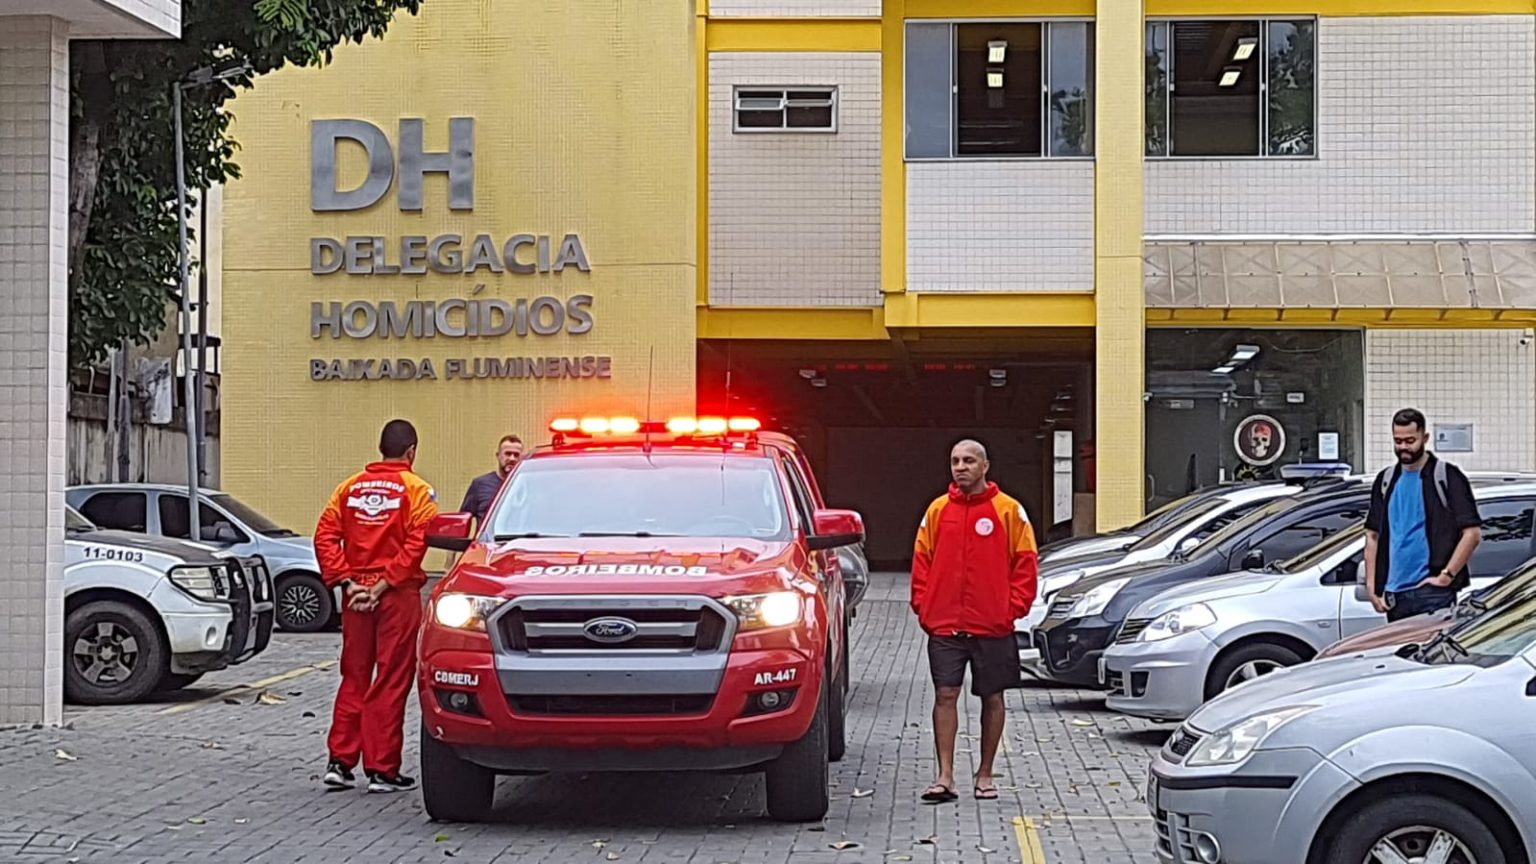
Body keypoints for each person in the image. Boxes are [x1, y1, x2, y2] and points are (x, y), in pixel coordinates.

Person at [314, 419, 439, 793]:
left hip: (355, 596)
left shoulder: (348, 487)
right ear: (411, 451)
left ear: (380, 447)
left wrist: (349, 583)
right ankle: (382, 770)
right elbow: (419, 542)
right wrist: (384, 584)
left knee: (354, 675)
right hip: (396, 595)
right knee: (390, 679)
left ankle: (340, 762)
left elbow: (325, 536)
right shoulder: (418, 490)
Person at [910, 439, 1038, 803]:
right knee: (945, 694)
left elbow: (1026, 564)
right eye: (954, 461)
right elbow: (922, 561)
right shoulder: (937, 510)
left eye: (968, 460)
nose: (960, 467)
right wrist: (925, 606)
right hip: (945, 625)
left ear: (985, 466)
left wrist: (1009, 609)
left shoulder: (1008, 510)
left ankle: (985, 775)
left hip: (992, 626)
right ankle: (945, 776)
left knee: (992, 697)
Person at [1364, 408, 1482, 623]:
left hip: (1432, 593)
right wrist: (1372, 586)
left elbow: (1472, 534)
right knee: (1398, 656)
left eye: (1410, 440)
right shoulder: (1386, 479)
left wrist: (1446, 576)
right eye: (1398, 441)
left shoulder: (1446, 476)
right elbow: (1372, 536)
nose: (1403, 447)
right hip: (1393, 594)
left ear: (1425, 438)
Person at [460, 434, 523, 525]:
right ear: (498, 456)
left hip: (520, 539)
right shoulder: (480, 485)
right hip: (488, 539)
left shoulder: (527, 487)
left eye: (516, 455)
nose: (512, 458)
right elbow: (463, 520)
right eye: (508, 454)